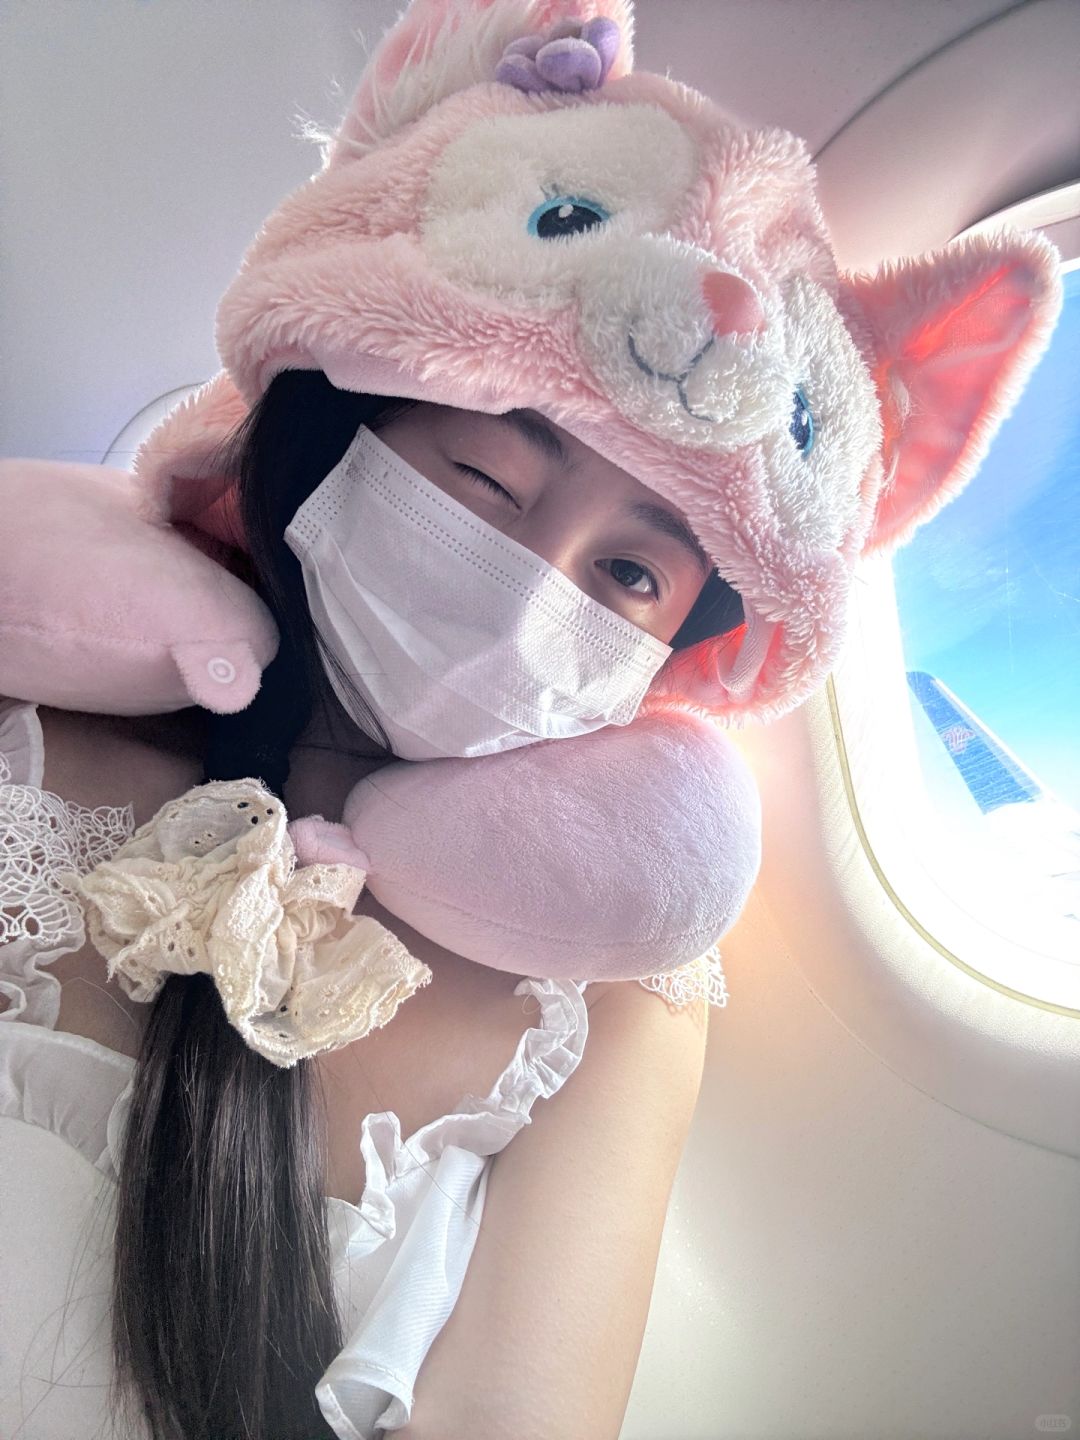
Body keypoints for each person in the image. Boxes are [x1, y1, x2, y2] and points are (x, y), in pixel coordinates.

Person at [0, 368, 742, 1440]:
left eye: (632, 571)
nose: (531, 594)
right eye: (487, 475)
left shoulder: (620, 984)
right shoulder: (28, 739)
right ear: (346, 429)